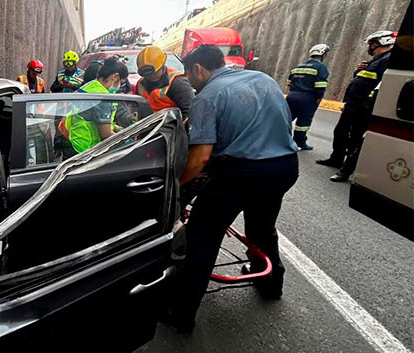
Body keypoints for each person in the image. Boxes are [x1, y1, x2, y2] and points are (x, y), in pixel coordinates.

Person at [161, 45, 299, 333]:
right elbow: (285, 124)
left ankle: (182, 312)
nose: (188, 79)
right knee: (262, 228)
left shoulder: (208, 97)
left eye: (188, 73)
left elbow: (200, 159)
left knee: (203, 236)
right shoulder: (263, 80)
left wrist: (176, 185)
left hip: (242, 173)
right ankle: (271, 284)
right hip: (284, 166)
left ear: (198, 69)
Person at [316, 31, 395, 182]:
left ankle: (346, 169)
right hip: (353, 104)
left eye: (371, 44)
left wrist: (367, 104)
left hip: (363, 107)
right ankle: (336, 159)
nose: (369, 47)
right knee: (341, 132)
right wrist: (358, 72)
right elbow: (361, 81)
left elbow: (379, 86)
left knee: (356, 138)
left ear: (379, 43)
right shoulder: (375, 61)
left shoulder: (387, 60)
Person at [63, 57, 126, 153]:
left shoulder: (90, 87)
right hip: (87, 149)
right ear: (115, 77)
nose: (119, 87)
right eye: (121, 83)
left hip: (75, 142)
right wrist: (126, 140)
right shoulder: (103, 97)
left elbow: (92, 117)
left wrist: (116, 128)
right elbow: (105, 134)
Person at [286, 44, 331, 150]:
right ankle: (299, 142)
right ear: (322, 54)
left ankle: (278, 139)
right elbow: (320, 85)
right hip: (308, 97)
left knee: (286, 118)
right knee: (303, 122)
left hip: (292, 96)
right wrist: (318, 99)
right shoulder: (320, 67)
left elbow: (289, 82)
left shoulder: (298, 66)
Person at [133, 45, 195, 119]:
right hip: (146, 127)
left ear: (162, 66)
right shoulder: (140, 84)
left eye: (154, 73)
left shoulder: (178, 83)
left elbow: (189, 112)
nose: (151, 76)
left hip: (171, 128)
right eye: (147, 74)